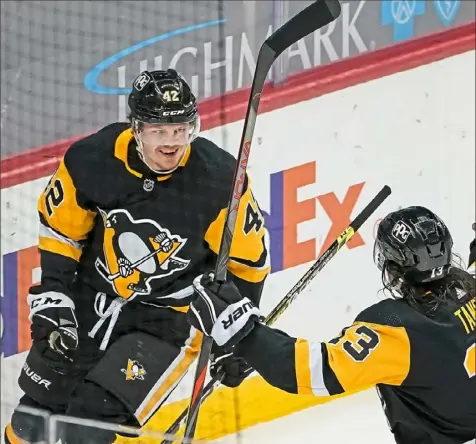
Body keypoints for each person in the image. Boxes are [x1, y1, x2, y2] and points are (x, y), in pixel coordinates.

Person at [5, 69, 270, 444]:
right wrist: (55, 299)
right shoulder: (93, 159)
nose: (171, 143)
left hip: (166, 322)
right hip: (92, 300)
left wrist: (240, 337)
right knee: (29, 424)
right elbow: (62, 232)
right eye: (160, 131)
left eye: (180, 130)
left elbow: (249, 264)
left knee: (86, 430)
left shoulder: (217, 182)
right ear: (136, 128)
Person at [188, 206, 476, 444]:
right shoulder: (470, 285)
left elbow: (315, 370)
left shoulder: (396, 328)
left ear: (390, 265)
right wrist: (259, 349)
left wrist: (243, 332)